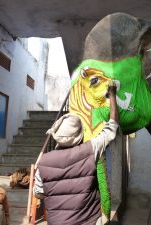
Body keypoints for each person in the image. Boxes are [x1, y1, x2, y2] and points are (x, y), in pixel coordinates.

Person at [33, 81, 119, 225]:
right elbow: (112, 126)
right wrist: (112, 95)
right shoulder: (91, 149)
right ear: (80, 135)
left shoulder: (43, 161)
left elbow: (39, 193)